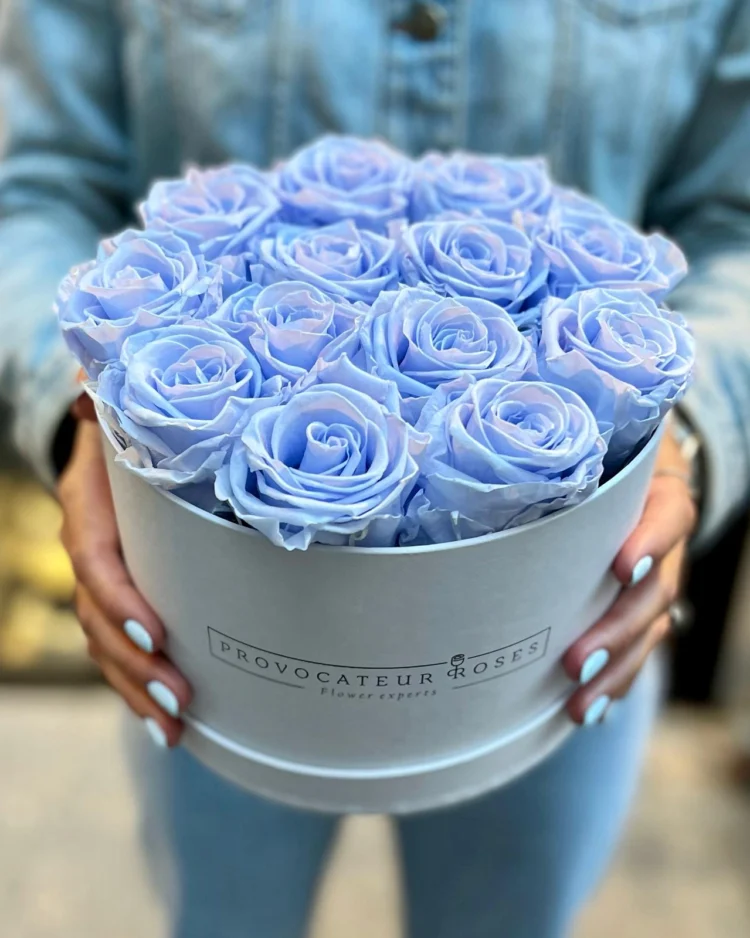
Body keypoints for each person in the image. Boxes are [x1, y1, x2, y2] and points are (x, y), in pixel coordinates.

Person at [1, 2, 748, 935]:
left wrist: (688, 437)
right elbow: (37, 186)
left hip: (556, 621)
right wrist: (83, 426)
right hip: (210, 619)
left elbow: (737, 219)